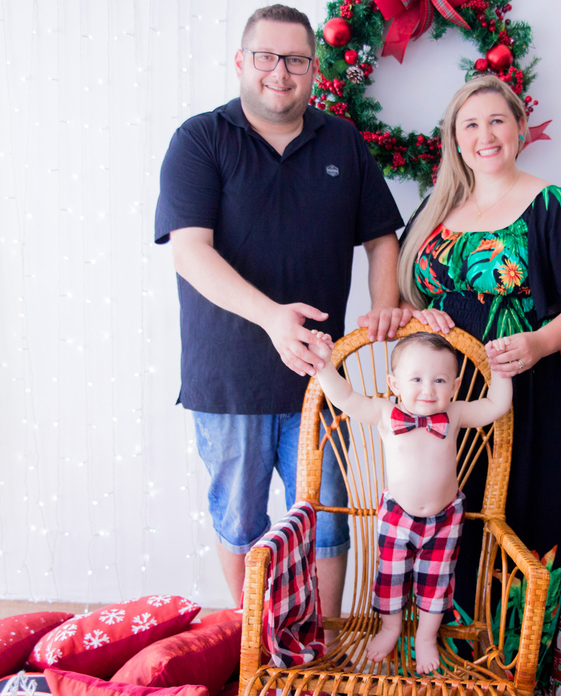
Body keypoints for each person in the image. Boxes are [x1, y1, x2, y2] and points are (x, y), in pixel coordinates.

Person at [154, 4, 409, 615]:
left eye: (296, 59)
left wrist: (382, 307)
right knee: (241, 522)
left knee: (325, 524)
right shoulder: (200, 139)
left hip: (322, 377)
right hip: (228, 378)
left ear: (313, 70)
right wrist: (271, 316)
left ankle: (317, 649)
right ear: (242, 62)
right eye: (266, 57)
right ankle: (252, 649)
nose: (280, 72)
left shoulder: (341, 141)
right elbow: (190, 253)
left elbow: (381, 237)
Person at [396, 75, 561, 610]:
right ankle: (449, 652)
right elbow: (406, 298)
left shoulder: (555, 206)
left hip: (539, 384)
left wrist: (541, 343)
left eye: (497, 120)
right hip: (450, 393)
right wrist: (416, 315)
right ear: (455, 139)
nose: (485, 135)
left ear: (520, 129)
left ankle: (524, 669)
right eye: (470, 125)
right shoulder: (435, 209)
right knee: (449, 517)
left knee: (527, 522)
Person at [308, 331, 512, 673]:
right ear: (394, 383)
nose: (428, 389)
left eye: (440, 380)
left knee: (436, 582)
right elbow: (344, 397)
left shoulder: (456, 414)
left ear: (455, 386)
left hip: (445, 519)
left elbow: (496, 406)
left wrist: (501, 373)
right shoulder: (386, 412)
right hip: (397, 518)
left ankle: (426, 637)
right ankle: (391, 628)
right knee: (391, 577)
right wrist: (325, 366)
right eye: (416, 379)